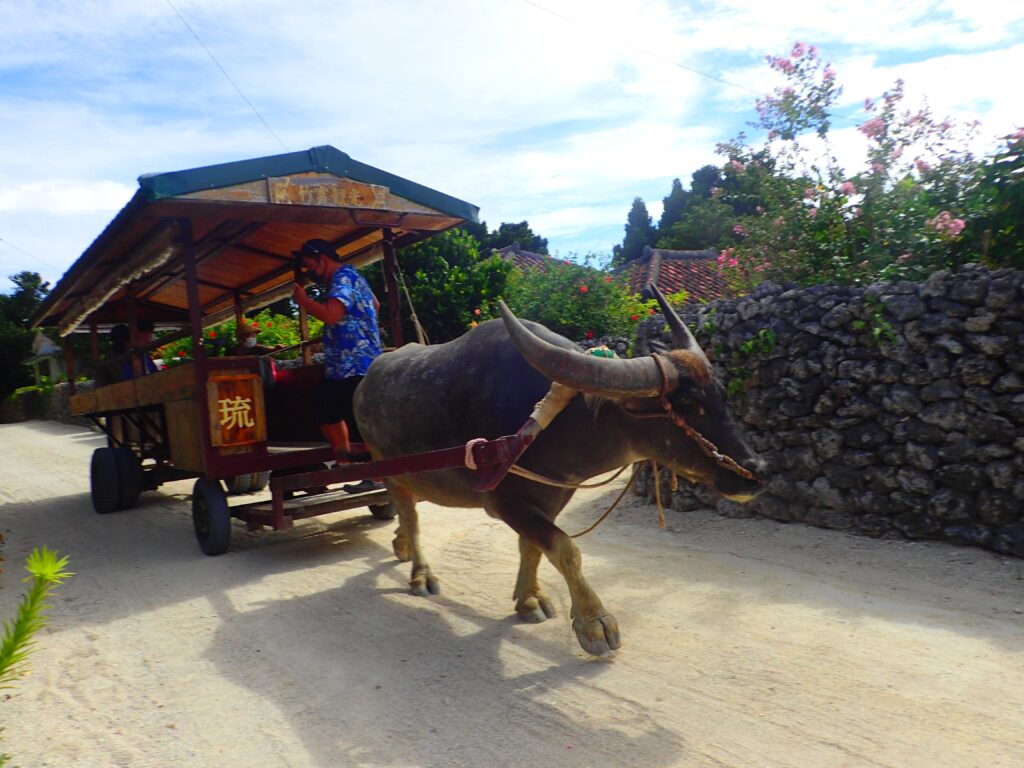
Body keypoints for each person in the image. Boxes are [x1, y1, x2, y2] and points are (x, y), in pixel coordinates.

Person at [291, 238, 383, 482]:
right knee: (325, 403)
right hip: (349, 362)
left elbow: (332, 315)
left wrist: (303, 302)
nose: (309, 272)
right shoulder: (354, 276)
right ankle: (344, 456)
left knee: (356, 419)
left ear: (323, 258)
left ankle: (374, 476)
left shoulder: (341, 277)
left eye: (310, 265)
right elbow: (375, 303)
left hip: (353, 363)